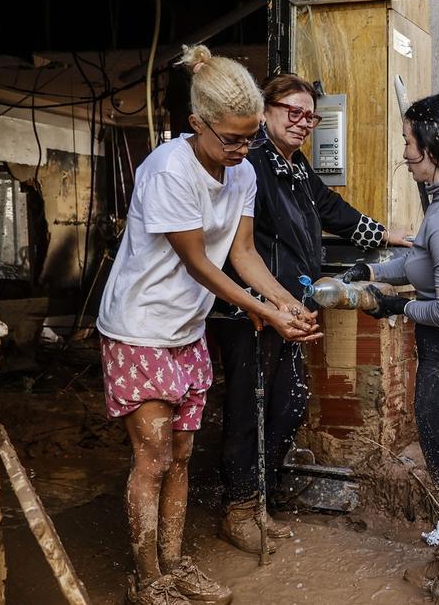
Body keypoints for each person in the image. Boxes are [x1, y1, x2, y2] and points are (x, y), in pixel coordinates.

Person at [95, 45, 321, 605]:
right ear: (196, 123)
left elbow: (242, 253)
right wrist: (262, 311)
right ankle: (147, 580)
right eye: (233, 139)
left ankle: (175, 564)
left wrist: (284, 301)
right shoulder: (168, 170)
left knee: (181, 454)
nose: (244, 151)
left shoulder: (240, 170)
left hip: (186, 329)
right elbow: (198, 261)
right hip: (140, 327)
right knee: (151, 456)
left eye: (250, 139)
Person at [207, 75, 411, 554]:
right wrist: (269, 303)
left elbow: (333, 210)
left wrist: (385, 234)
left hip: (293, 309)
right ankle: (238, 510)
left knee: (288, 404)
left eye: (310, 116)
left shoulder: (296, 170)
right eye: (292, 112)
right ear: (265, 111)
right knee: (248, 407)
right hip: (252, 309)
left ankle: (260, 503)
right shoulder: (249, 166)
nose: (302, 122)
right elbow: (236, 248)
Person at [340, 92, 439, 601]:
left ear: (432, 147)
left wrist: (394, 308)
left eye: (409, 142)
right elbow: (419, 265)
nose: (404, 152)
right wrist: (370, 270)